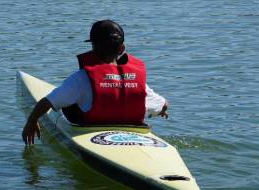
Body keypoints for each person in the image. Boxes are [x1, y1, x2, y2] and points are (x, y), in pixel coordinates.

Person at [22, 20, 169, 145]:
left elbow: (46, 103)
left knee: (70, 103)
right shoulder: (138, 81)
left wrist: (32, 121)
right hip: (135, 135)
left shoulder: (81, 78)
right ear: (122, 48)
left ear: (93, 48)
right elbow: (163, 104)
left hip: (89, 134)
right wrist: (161, 110)